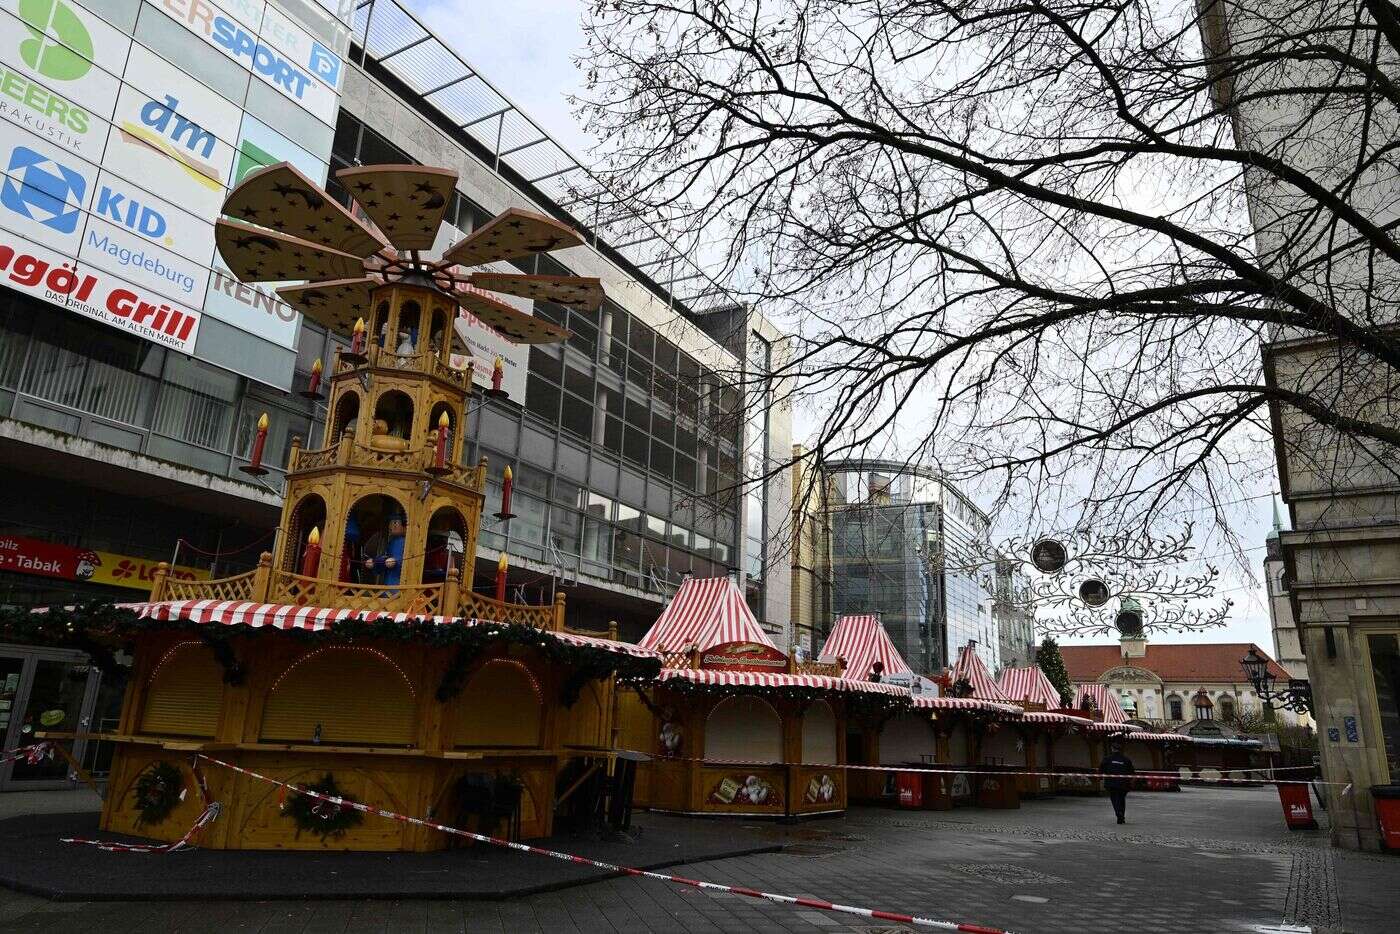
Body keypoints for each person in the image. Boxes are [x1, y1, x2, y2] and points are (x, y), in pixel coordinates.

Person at [1100, 742, 1136, 824]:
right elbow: (1132, 772)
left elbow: (1101, 769)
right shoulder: (1126, 759)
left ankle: (1118, 813)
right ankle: (1121, 815)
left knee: (1114, 799)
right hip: (1123, 784)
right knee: (1121, 799)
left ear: (1112, 749)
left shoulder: (1107, 759)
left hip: (1111, 783)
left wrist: (1102, 777)